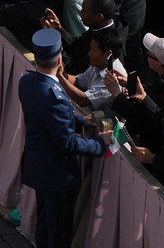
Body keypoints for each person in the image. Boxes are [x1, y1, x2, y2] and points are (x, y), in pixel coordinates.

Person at [19, 28, 110, 246]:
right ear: (60, 58)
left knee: (45, 224)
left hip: (38, 167)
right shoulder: (54, 96)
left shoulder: (28, 82)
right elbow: (68, 142)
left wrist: (80, 121)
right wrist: (100, 143)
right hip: (57, 175)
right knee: (59, 231)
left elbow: (47, 120)